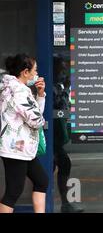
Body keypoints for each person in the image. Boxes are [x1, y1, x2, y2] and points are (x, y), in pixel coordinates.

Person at [0, 54, 49, 213]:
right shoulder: (19, 91)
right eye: (35, 71)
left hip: (20, 147)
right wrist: (40, 100)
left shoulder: (10, 87)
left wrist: (40, 94)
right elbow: (36, 121)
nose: (37, 74)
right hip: (16, 149)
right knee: (13, 192)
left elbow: (33, 116)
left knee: (41, 180)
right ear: (25, 72)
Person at [53, 56, 84, 213]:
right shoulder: (51, 86)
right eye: (61, 68)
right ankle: (63, 204)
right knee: (62, 163)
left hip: (57, 135)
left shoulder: (57, 85)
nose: (63, 72)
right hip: (52, 134)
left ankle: (63, 203)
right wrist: (66, 89)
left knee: (58, 165)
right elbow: (59, 105)